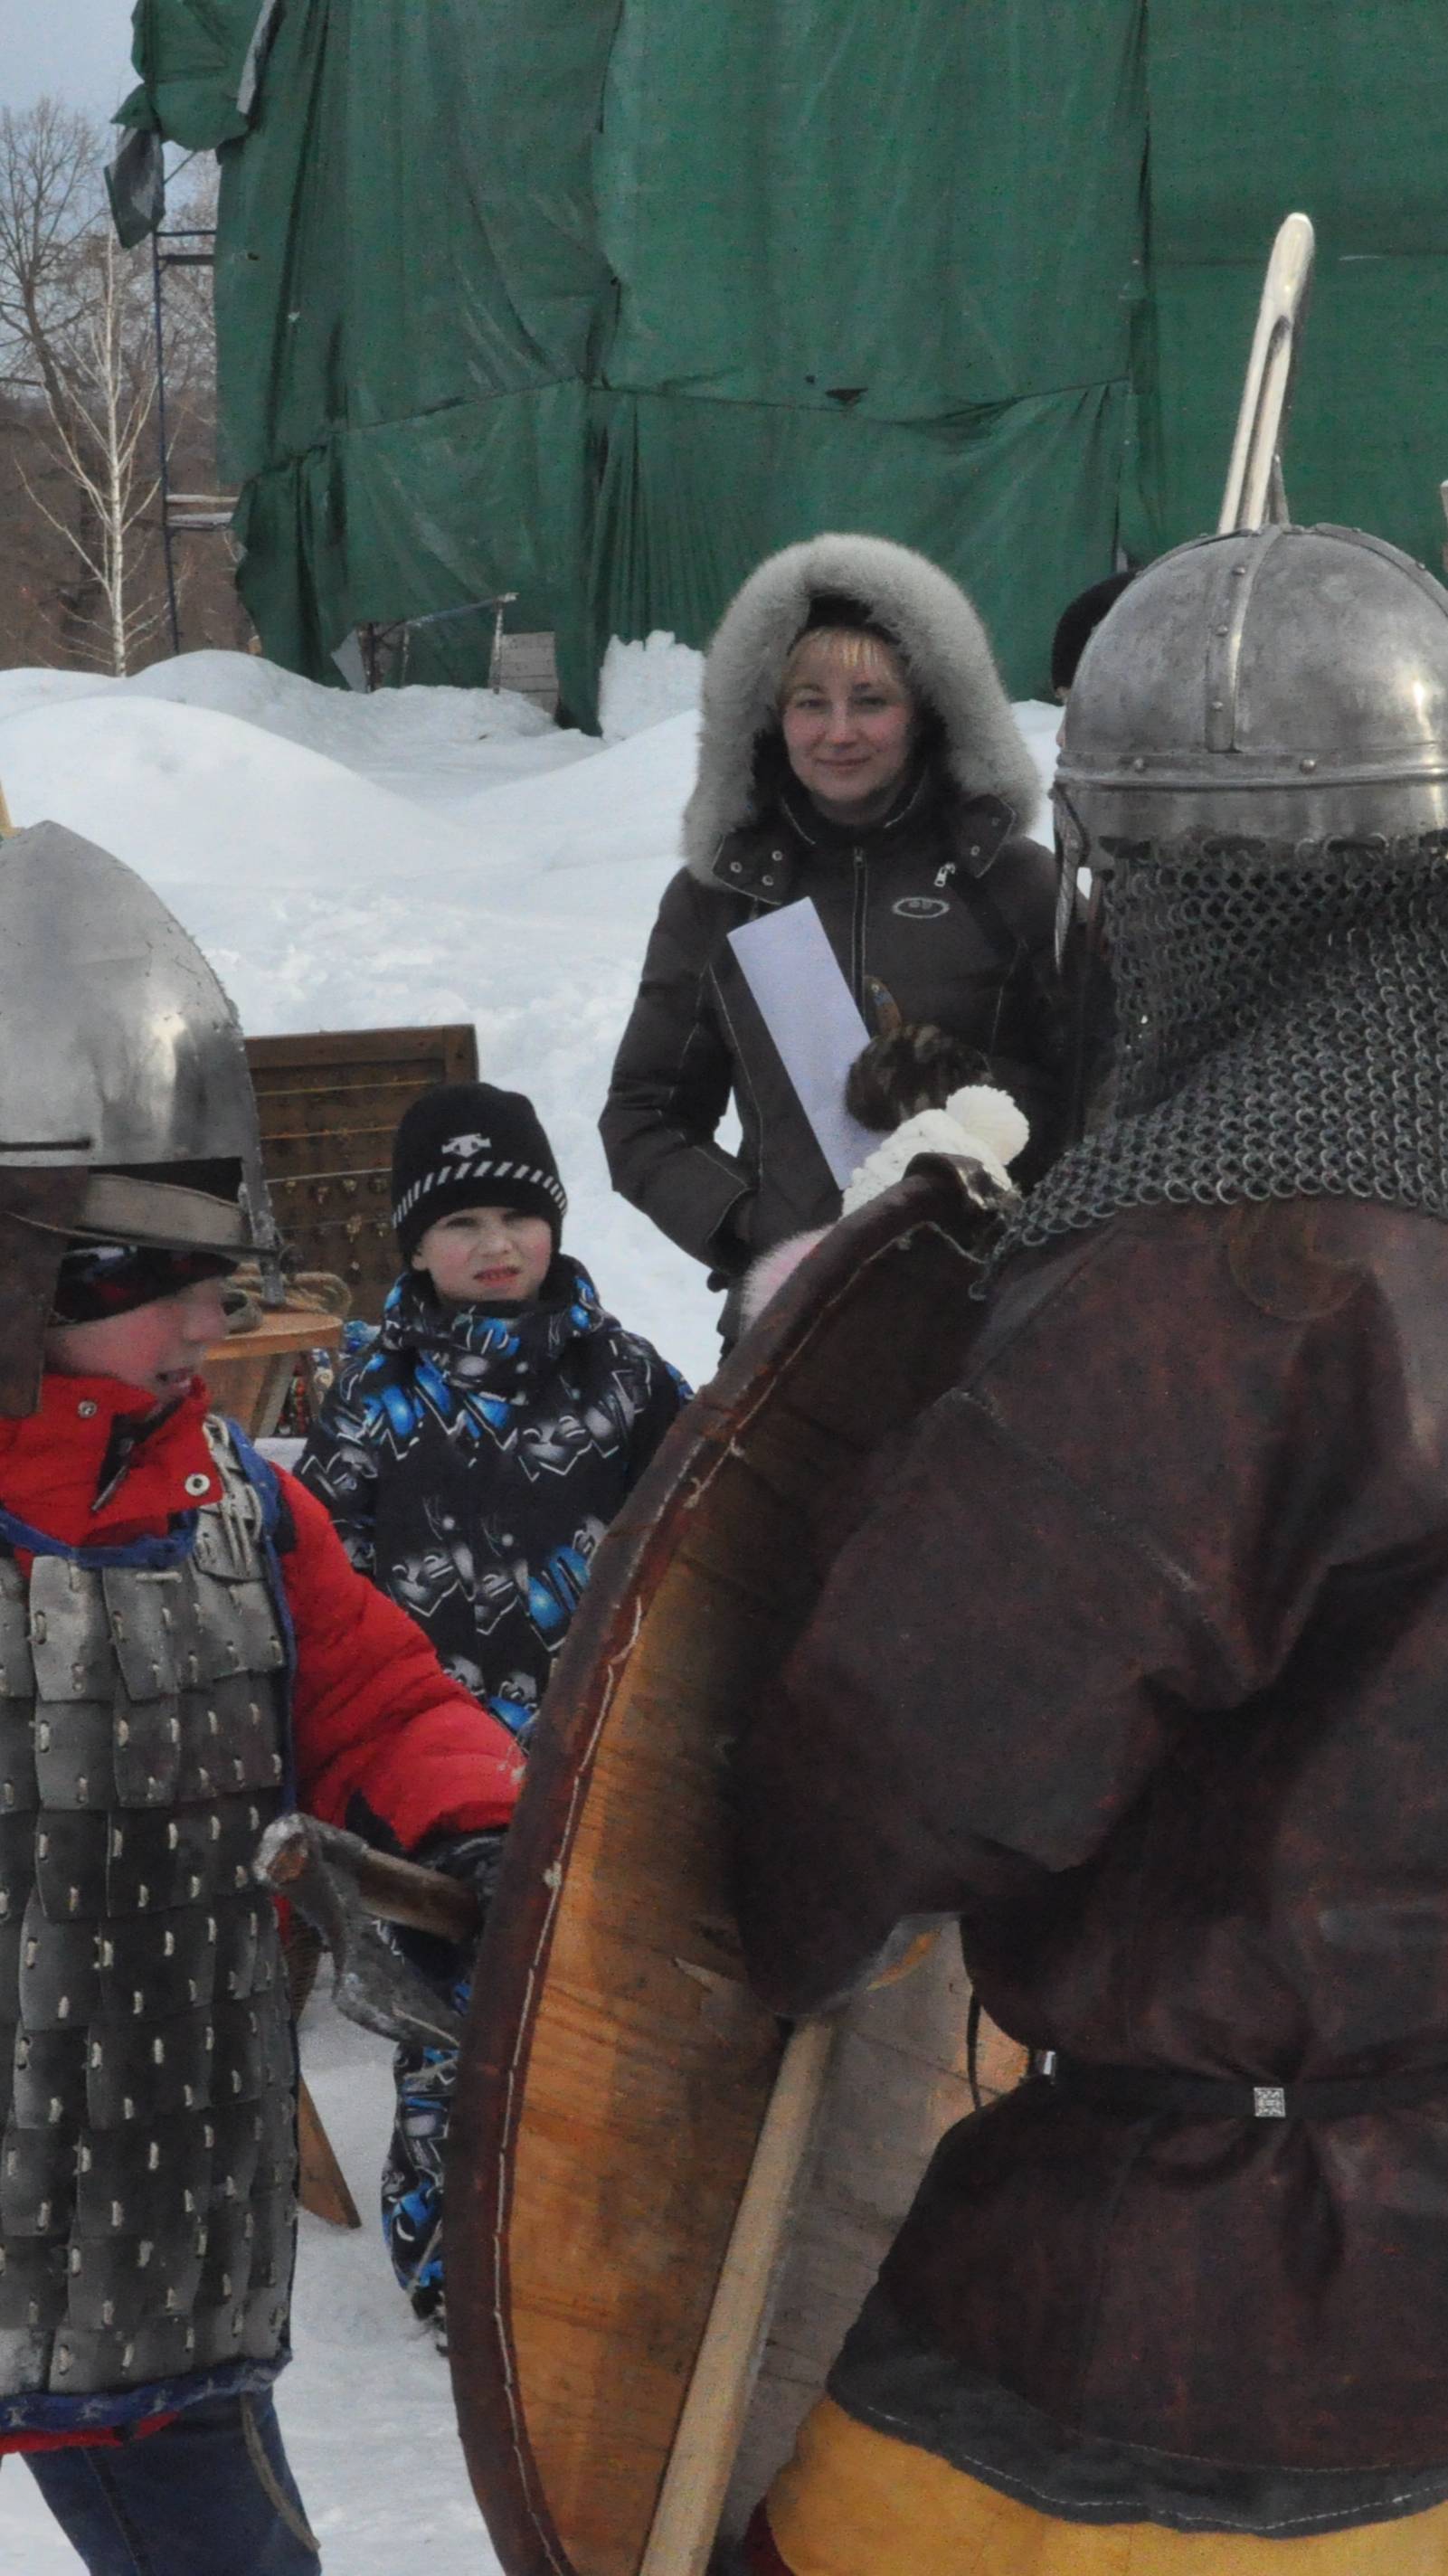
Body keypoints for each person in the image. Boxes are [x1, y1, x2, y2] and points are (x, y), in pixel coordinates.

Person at [732, 521, 1448, 2571]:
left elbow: (885, 1761)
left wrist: (741, 1894)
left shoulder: (1220, 1285)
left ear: (1165, 896)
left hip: (1235, 2313)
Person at [0, 823, 522, 2575]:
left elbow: (377, 1689)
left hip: (153, 2197)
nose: (217, 1314)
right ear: (42, 1276)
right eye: (169, 1279)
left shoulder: (235, 1495)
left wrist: (483, 1820)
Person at [297, 1079, 689, 2336]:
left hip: (601, 1750)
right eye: (460, 1225)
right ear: (412, 1246)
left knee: (611, 1997)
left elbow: (709, 1530)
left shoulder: (626, 1380)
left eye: (518, 1217)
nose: (495, 1245)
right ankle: (461, 2256)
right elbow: (325, 1569)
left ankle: (620, 2243)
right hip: (436, 1769)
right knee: (456, 2006)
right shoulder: (375, 1396)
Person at [600, 532, 1068, 1342]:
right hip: (791, 1322)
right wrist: (757, 1230)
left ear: (926, 711)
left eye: (871, 700)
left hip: (995, 1318)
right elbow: (643, 1117)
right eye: (809, 702)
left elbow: (1108, 1095)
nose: (837, 731)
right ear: (769, 719)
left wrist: (968, 1091)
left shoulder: (1014, 883)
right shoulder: (717, 900)